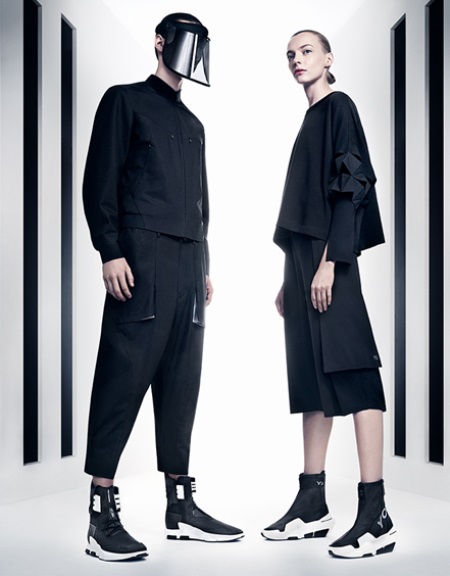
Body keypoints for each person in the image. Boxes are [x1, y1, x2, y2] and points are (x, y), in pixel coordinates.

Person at [82, 12, 244, 562]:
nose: (194, 53)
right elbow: (99, 180)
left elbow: (202, 203)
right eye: (187, 41)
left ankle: (181, 507)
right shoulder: (123, 101)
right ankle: (100, 513)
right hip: (141, 259)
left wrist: (204, 265)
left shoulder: (194, 125)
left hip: (189, 265)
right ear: (160, 41)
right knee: (122, 376)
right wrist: (110, 250)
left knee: (181, 382)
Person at [261, 29, 397, 559]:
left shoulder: (339, 107)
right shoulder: (310, 118)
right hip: (303, 263)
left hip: (327, 258)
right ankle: (312, 504)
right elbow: (308, 202)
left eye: (306, 51)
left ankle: (376, 513)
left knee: (354, 371)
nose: (297, 60)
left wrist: (329, 262)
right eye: (290, 55)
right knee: (313, 382)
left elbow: (352, 184)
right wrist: (290, 277)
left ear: (329, 58)